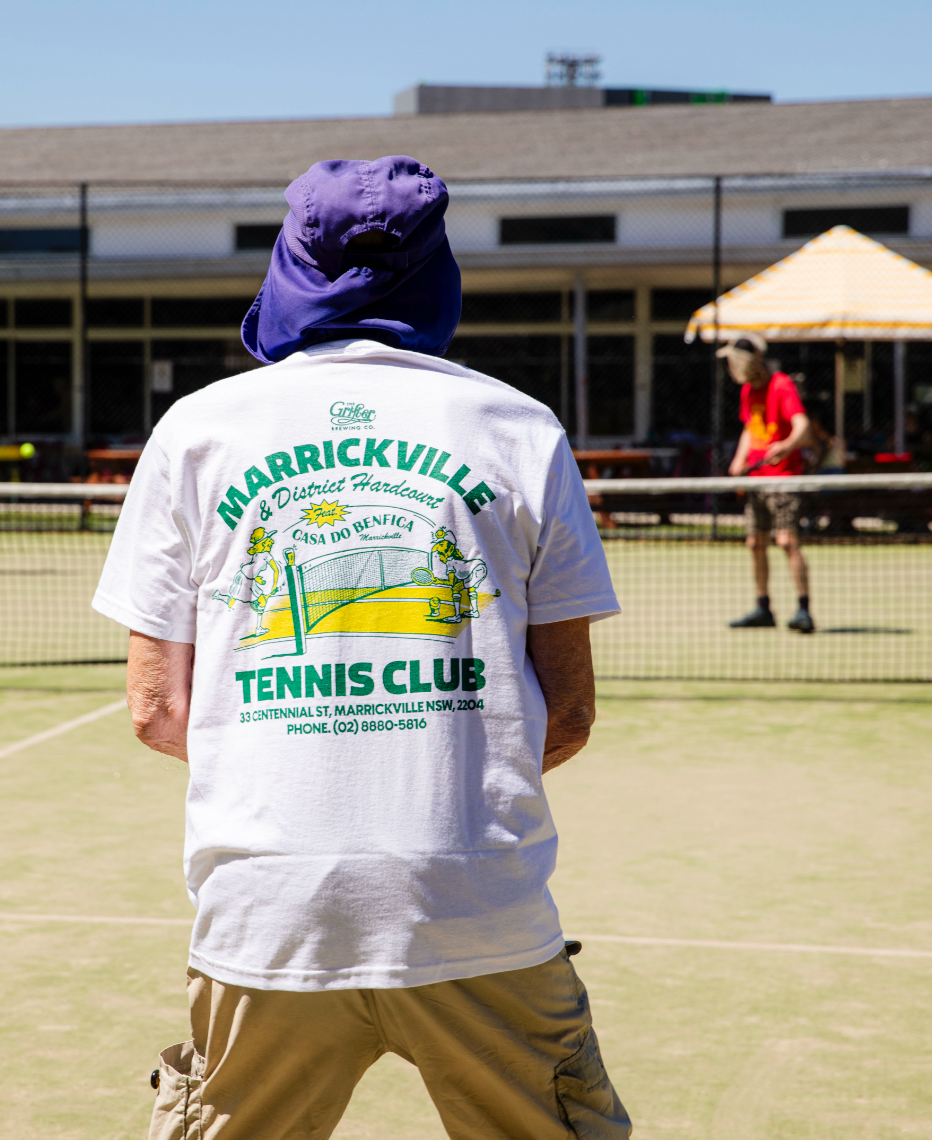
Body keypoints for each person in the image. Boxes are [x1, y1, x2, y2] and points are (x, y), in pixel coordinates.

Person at [93, 156, 631, 1140]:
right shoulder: (519, 427)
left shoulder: (195, 430)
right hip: (478, 906)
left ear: (288, 266)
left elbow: (157, 709)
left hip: (267, 916)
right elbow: (569, 713)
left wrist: (297, 761)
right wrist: (434, 759)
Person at [724, 334, 814, 632]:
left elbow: (802, 425)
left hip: (784, 479)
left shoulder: (781, 385)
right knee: (755, 543)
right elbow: (750, 428)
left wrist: (786, 446)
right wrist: (739, 460)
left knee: (787, 541)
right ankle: (763, 608)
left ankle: (803, 609)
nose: (730, 366)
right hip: (756, 481)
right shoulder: (747, 391)